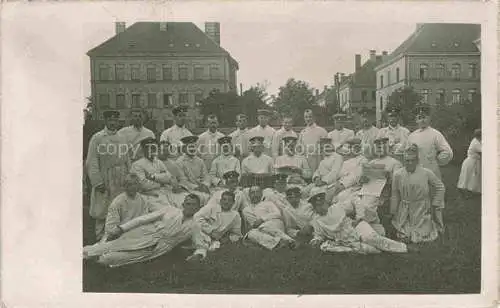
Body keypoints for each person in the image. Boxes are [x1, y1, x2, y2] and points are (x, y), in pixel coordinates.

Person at [83, 193, 205, 267]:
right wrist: (121, 228)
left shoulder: (195, 226)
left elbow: (201, 245)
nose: (190, 207)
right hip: (145, 234)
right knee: (113, 245)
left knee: (111, 259)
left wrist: (198, 255)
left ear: (198, 207)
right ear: (183, 204)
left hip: (159, 247)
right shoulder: (169, 210)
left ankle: (96, 259)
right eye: (188, 204)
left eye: (194, 205)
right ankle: (83, 254)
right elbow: (143, 219)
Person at [306, 190, 411, 254]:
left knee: (371, 239)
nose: (321, 207)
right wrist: (316, 240)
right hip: (347, 240)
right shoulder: (317, 220)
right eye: (317, 205)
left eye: (322, 203)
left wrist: (359, 218)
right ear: (314, 207)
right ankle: (383, 248)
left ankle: (404, 248)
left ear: (325, 202)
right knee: (372, 250)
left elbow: (355, 200)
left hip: (357, 227)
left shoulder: (338, 207)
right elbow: (319, 235)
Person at [334, 137, 402, 236]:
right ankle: (342, 228)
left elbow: (396, 186)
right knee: (345, 202)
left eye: (383, 144)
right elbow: (360, 180)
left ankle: (364, 230)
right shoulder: (371, 162)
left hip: (380, 194)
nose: (380, 147)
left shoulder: (395, 163)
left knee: (364, 206)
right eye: (377, 145)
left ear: (388, 147)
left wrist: (388, 178)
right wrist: (362, 180)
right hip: (365, 191)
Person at [85, 110, 130, 240]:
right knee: (103, 207)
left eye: (115, 120)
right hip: (105, 176)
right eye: (110, 120)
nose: (113, 123)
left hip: (120, 177)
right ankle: (100, 236)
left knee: (118, 206)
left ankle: (115, 236)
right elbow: (91, 161)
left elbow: (127, 159)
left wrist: (129, 175)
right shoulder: (98, 138)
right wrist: (97, 181)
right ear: (105, 121)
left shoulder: (122, 137)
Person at [390, 144, 446, 243]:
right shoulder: (398, 174)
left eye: (413, 160)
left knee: (422, 234)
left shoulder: (426, 172)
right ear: (404, 160)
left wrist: (435, 204)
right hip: (405, 208)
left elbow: (440, 187)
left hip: (422, 208)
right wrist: (393, 211)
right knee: (404, 234)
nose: (410, 163)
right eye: (407, 160)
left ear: (417, 160)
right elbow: (395, 194)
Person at [101, 173, 163, 243]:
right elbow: (110, 228)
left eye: (135, 184)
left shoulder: (142, 199)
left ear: (138, 186)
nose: (133, 187)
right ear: (125, 186)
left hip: (139, 232)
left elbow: (144, 218)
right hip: (121, 235)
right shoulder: (117, 202)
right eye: (129, 184)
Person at [130, 138, 187, 208]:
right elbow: (144, 185)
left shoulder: (159, 162)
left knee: (182, 203)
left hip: (164, 191)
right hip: (149, 195)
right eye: (148, 148)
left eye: (153, 148)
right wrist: (162, 182)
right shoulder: (137, 165)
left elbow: (169, 177)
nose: (151, 151)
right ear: (144, 150)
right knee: (169, 210)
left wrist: (153, 177)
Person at [191, 191, 243, 259]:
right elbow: (196, 217)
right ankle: (200, 253)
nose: (226, 202)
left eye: (229, 200)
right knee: (196, 228)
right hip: (204, 233)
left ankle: (201, 254)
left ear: (233, 203)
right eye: (224, 199)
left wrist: (228, 238)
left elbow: (237, 233)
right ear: (220, 201)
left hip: (218, 238)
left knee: (215, 246)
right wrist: (211, 231)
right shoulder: (211, 207)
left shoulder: (235, 215)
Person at [407, 104, 453, 180]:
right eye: (419, 118)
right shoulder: (411, 136)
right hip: (415, 170)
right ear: (416, 120)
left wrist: (437, 159)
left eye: (424, 117)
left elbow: (447, 151)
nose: (422, 120)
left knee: (432, 189)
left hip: (431, 169)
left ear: (429, 119)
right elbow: (406, 153)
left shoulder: (435, 134)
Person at [328, 138, 368, 205]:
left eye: (356, 147)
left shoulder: (363, 160)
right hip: (339, 183)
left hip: (353, 187)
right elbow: (338, 174)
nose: (353, 149)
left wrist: (341, 186)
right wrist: (335, 184)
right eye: (351, 147)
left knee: (341, 197)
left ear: (359, 148)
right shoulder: (345, 159)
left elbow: (355, 176)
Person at [298, 109, 328, 174]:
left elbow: (326, 148)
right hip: (306, 161)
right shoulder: (302, 132)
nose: (308, 119)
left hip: (318, 159)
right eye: (306, 117)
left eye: (310, 117)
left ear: (314, 118)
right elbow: (299, 149)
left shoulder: (322, 131)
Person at [457, 129, 482, 195]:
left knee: (473, 177)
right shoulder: (476, 142)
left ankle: (471, 192)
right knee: (467, 177)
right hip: (471, 162)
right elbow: (482, 151)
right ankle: (464, 192)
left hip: (474, 161)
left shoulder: (477, 141)